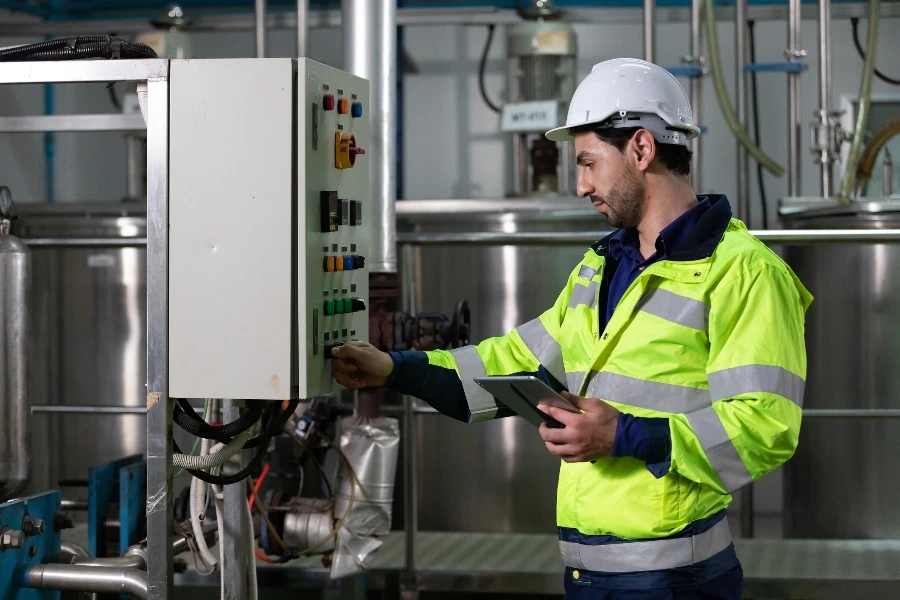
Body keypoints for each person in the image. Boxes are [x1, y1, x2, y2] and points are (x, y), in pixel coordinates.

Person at [330, 58, 812, 599]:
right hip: (587, 572)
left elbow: (765, 427)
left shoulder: (743, 271)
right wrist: (393, 368)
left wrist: (624, 434)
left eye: (588, 163)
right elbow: (510, 363)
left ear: (641, 148)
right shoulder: (600, 266)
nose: (581, 185)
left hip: (675, 578)